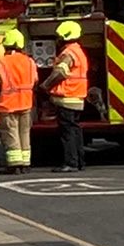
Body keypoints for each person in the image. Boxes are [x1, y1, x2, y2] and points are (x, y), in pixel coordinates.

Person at [0, 27, 38, 174]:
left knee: (10, 133)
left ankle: (14, 164)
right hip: (26, 103)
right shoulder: (30, 61)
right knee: (24, 133)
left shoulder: (2, 63)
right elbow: (35, 81)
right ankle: (26, 164)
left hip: (8, 104)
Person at [41, 19, 89, 173]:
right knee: (75, 131)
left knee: (67, 133)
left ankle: (71, 163)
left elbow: (60, 72)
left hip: (67, 97)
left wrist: (46, 85)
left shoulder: (68, 53)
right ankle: (80, 162)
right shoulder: (79, 51)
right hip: (77, 97)